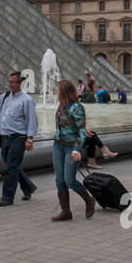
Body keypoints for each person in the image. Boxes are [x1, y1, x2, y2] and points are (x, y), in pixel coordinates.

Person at [51, 80, 97, 220]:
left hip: (71, 147)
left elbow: (81, 131)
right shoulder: (61, 106)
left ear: (64, 91)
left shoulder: (76, 107)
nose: (56, 92)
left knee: (69, 180)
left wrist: (77, 149)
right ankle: (66, 212)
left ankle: (89, 200)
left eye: (58, 90)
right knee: (60, 180)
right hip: (58, 146)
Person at [0, 71, 38, 206]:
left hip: (19, 137)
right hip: (4, 137)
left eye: (12, 82)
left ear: (19, 83)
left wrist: (29, 139)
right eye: (9, 81)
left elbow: (32, 121)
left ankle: (7, 197)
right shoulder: (4, 96)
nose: (10, 84)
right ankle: (28, 186)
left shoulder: (27, 100)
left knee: (11, 167)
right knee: (12, 165)